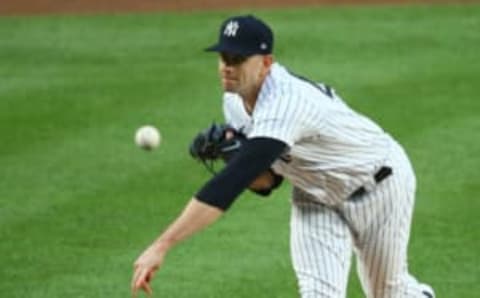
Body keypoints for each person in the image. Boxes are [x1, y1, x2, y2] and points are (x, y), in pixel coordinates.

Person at [131, 15, 435, 298]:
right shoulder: (234, 101)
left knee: (388, 293)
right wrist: (233, 154)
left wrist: (162, 245)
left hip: (379, 184)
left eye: (237, 59)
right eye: (224, 58)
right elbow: (267, 182)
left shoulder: (286, 103)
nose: (227, 67)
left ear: (266, 63)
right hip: (315, 196)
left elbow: (229, 186)